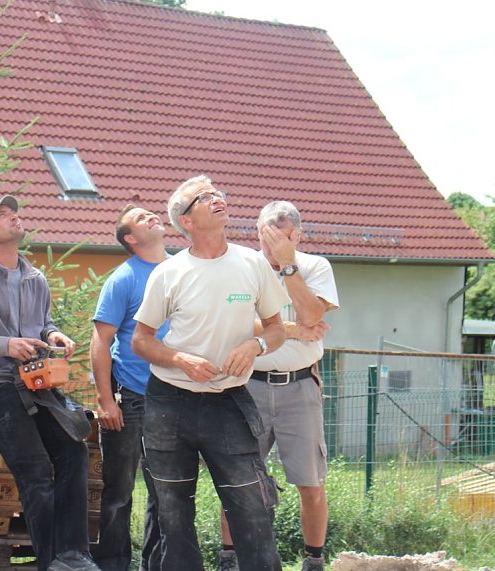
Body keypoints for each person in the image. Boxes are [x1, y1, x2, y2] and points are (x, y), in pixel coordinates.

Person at [131, 175, 290, 571]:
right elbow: (141, 341)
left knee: (252, 508)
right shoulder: (168, 273)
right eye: (202, 198)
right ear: (186, 221)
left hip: (229, 402)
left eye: (217, 193)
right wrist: (180, 360)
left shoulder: (252, 263)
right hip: (169, 401)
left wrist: (255, 345)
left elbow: (276, 328)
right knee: (173, 515)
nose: (216, 198)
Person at [0, 195, 100, 571]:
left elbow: (45, 323)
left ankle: (74, 554)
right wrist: (6, 345)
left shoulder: (35, 278)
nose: (14, 218)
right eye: (4, 216)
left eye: (14, 212)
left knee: (73, 451)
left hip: (38, 384)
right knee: (36, 469)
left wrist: (55, 336)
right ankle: (51, 561)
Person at [218, 201, 339, 571]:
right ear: (255, 233)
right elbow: (232, 321)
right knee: (237, 479)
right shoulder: (240, 267)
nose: (270, 246)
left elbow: (313, 315)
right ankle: (230, 557)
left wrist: (289, 267)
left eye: (279, 238)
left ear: (296, 235)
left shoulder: (315, 266)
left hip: (299, 388)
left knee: (310, 481)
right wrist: (290, 330)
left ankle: (313, 560)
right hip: (247, 386)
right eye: (264, 237)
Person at [90, 205, 169, 571]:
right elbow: (100, 341)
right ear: (131, 240)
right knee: (119, 494)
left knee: (166, 493)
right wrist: (106, 400)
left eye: (151, 212)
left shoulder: (182, 271)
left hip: (175, 397)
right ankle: (112, 565)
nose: (152, 215)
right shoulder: (123, 279)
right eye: (140, 218)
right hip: (131, 398)